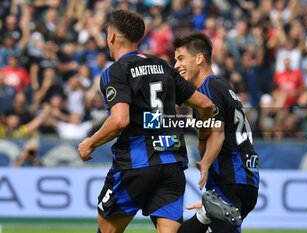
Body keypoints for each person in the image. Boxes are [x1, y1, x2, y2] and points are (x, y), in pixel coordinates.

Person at [77, 9, 215, 233]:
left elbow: (119, 120)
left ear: (111, 36)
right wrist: (204, 138)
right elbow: (206, 105)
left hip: (136, 165)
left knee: (107, 230)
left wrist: (90, 143)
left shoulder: (116, 71)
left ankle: (203, 218)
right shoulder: (163, 67)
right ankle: (203, 218)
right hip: (171, 164)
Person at [173, 32, 260, 233]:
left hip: (229, 178)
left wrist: (206, 162)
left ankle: (206, 214)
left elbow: (217, 132)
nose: (176, 65)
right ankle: (206, 214)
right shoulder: (224, 87)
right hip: (247, 179)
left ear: (199, 58)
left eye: (181, 58)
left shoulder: (208, 88)